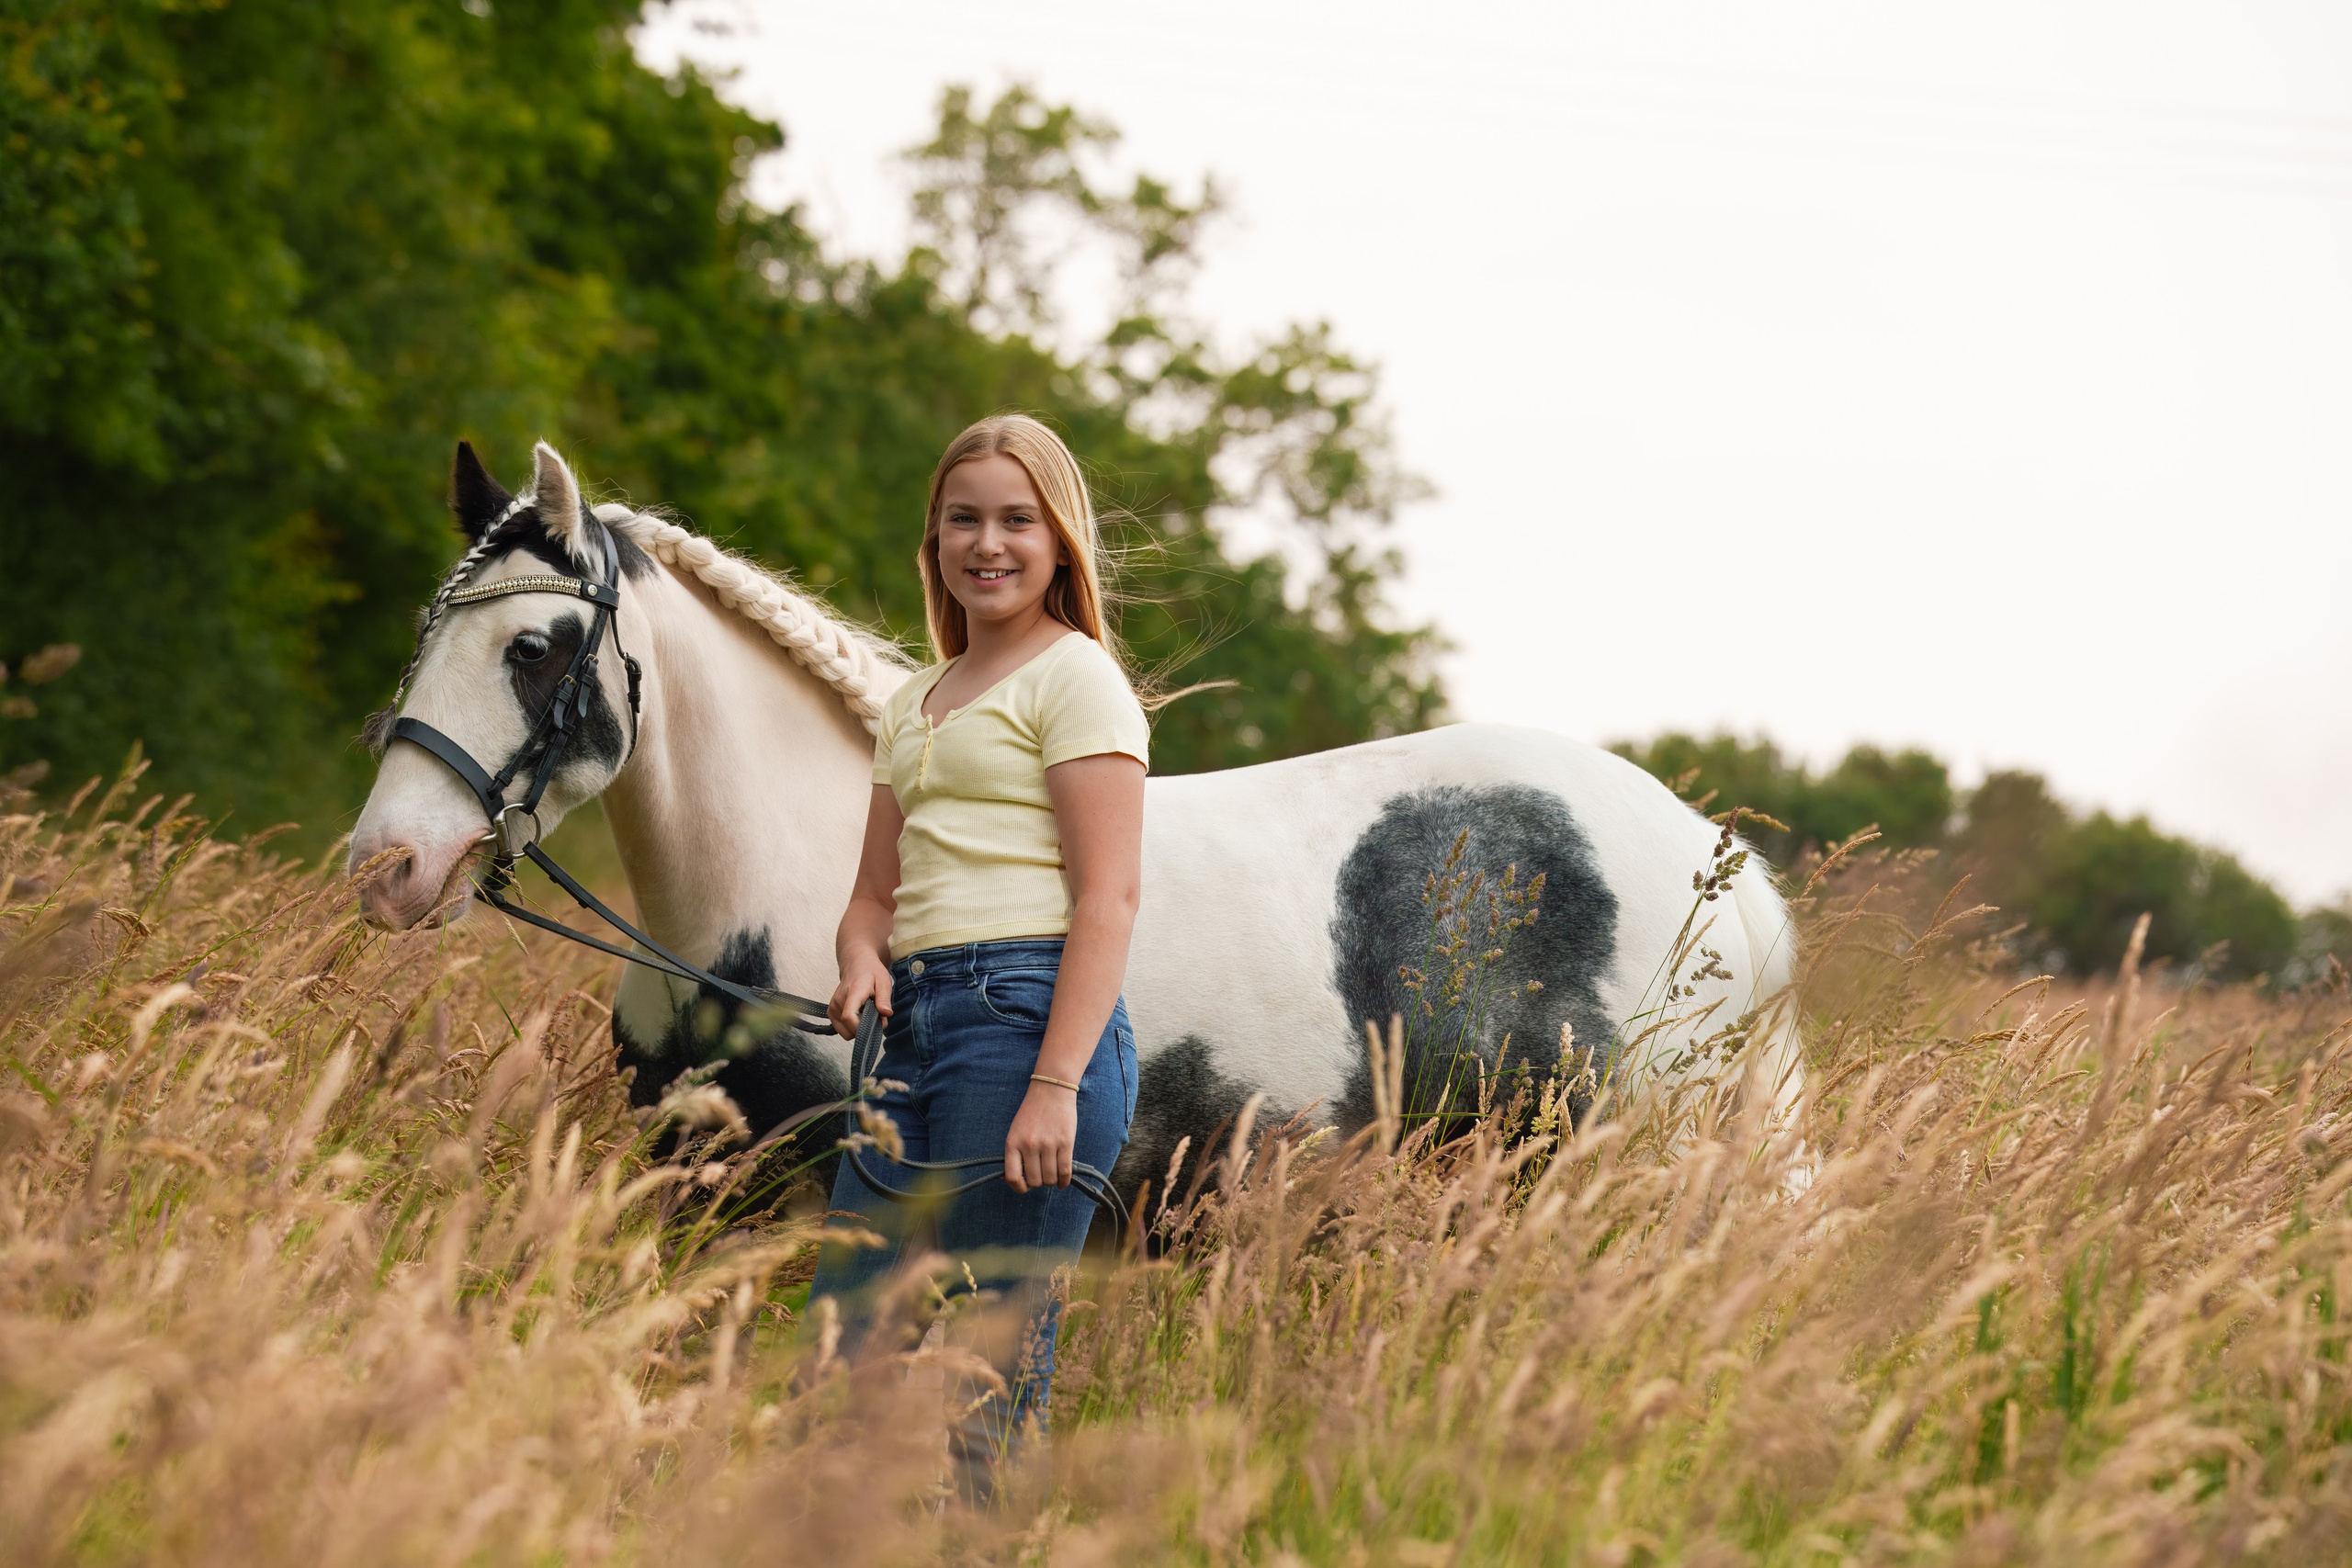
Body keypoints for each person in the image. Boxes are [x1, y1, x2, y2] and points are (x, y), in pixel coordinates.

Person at [810, 412, 1147, 1502]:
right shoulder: (914, 699)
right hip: (914, 1030)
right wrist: (863, 961)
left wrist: (1054, 1085)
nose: (986, 544)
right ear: (934, 541)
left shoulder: (1076, 678)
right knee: (843, 1356)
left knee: (981, 1389)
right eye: (964, 519)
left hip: (1027, 1021)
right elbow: (872, 895)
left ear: (1058, 544)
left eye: (1016, 520)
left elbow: (1109, 897)